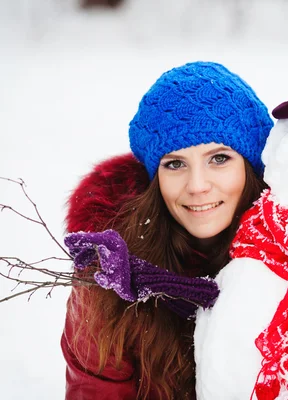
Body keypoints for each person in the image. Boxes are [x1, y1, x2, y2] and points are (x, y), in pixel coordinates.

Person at [60, 61, 273, 400]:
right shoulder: (110, 276)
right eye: (175, 164)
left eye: (219, 159)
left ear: (251, 166)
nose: (198, 186)